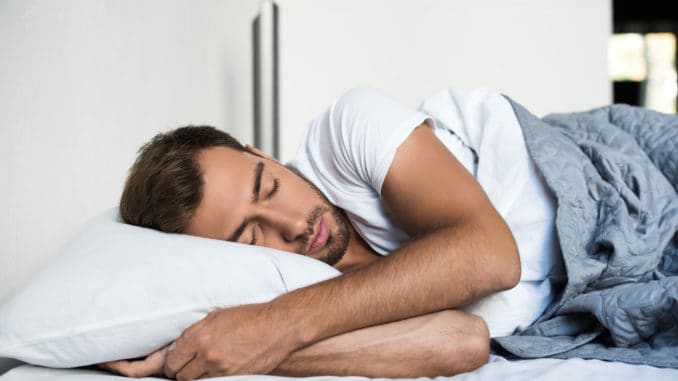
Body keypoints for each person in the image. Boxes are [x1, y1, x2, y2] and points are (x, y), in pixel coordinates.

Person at [100, 87, 564, 380]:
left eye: (270, 187)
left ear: (262, 153)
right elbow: (460, 341)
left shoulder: (347, 130)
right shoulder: (272, 288)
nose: (293, 225)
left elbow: (491, 257)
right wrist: (235, 351)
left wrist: (276, 326)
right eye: (250, 238)